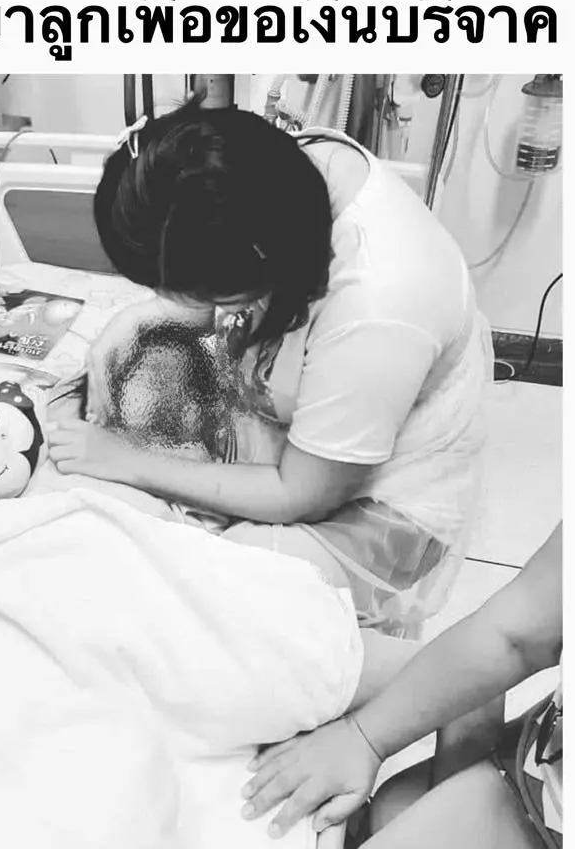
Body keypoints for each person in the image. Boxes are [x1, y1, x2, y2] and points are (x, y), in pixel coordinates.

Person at [47, 98, 494, 636]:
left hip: (377, 495)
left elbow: (301, 494)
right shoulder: (277, 170)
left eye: (195, 292)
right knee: (132, 344)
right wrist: (144, 319)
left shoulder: (379, 309)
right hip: (320, 400)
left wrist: (125, 460)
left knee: (218, 576)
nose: (176, 300)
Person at [240, 523, 562, 848]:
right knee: (391, 807)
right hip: (536, 770)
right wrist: (365, 737)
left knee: (391, 811)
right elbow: (514, 636)